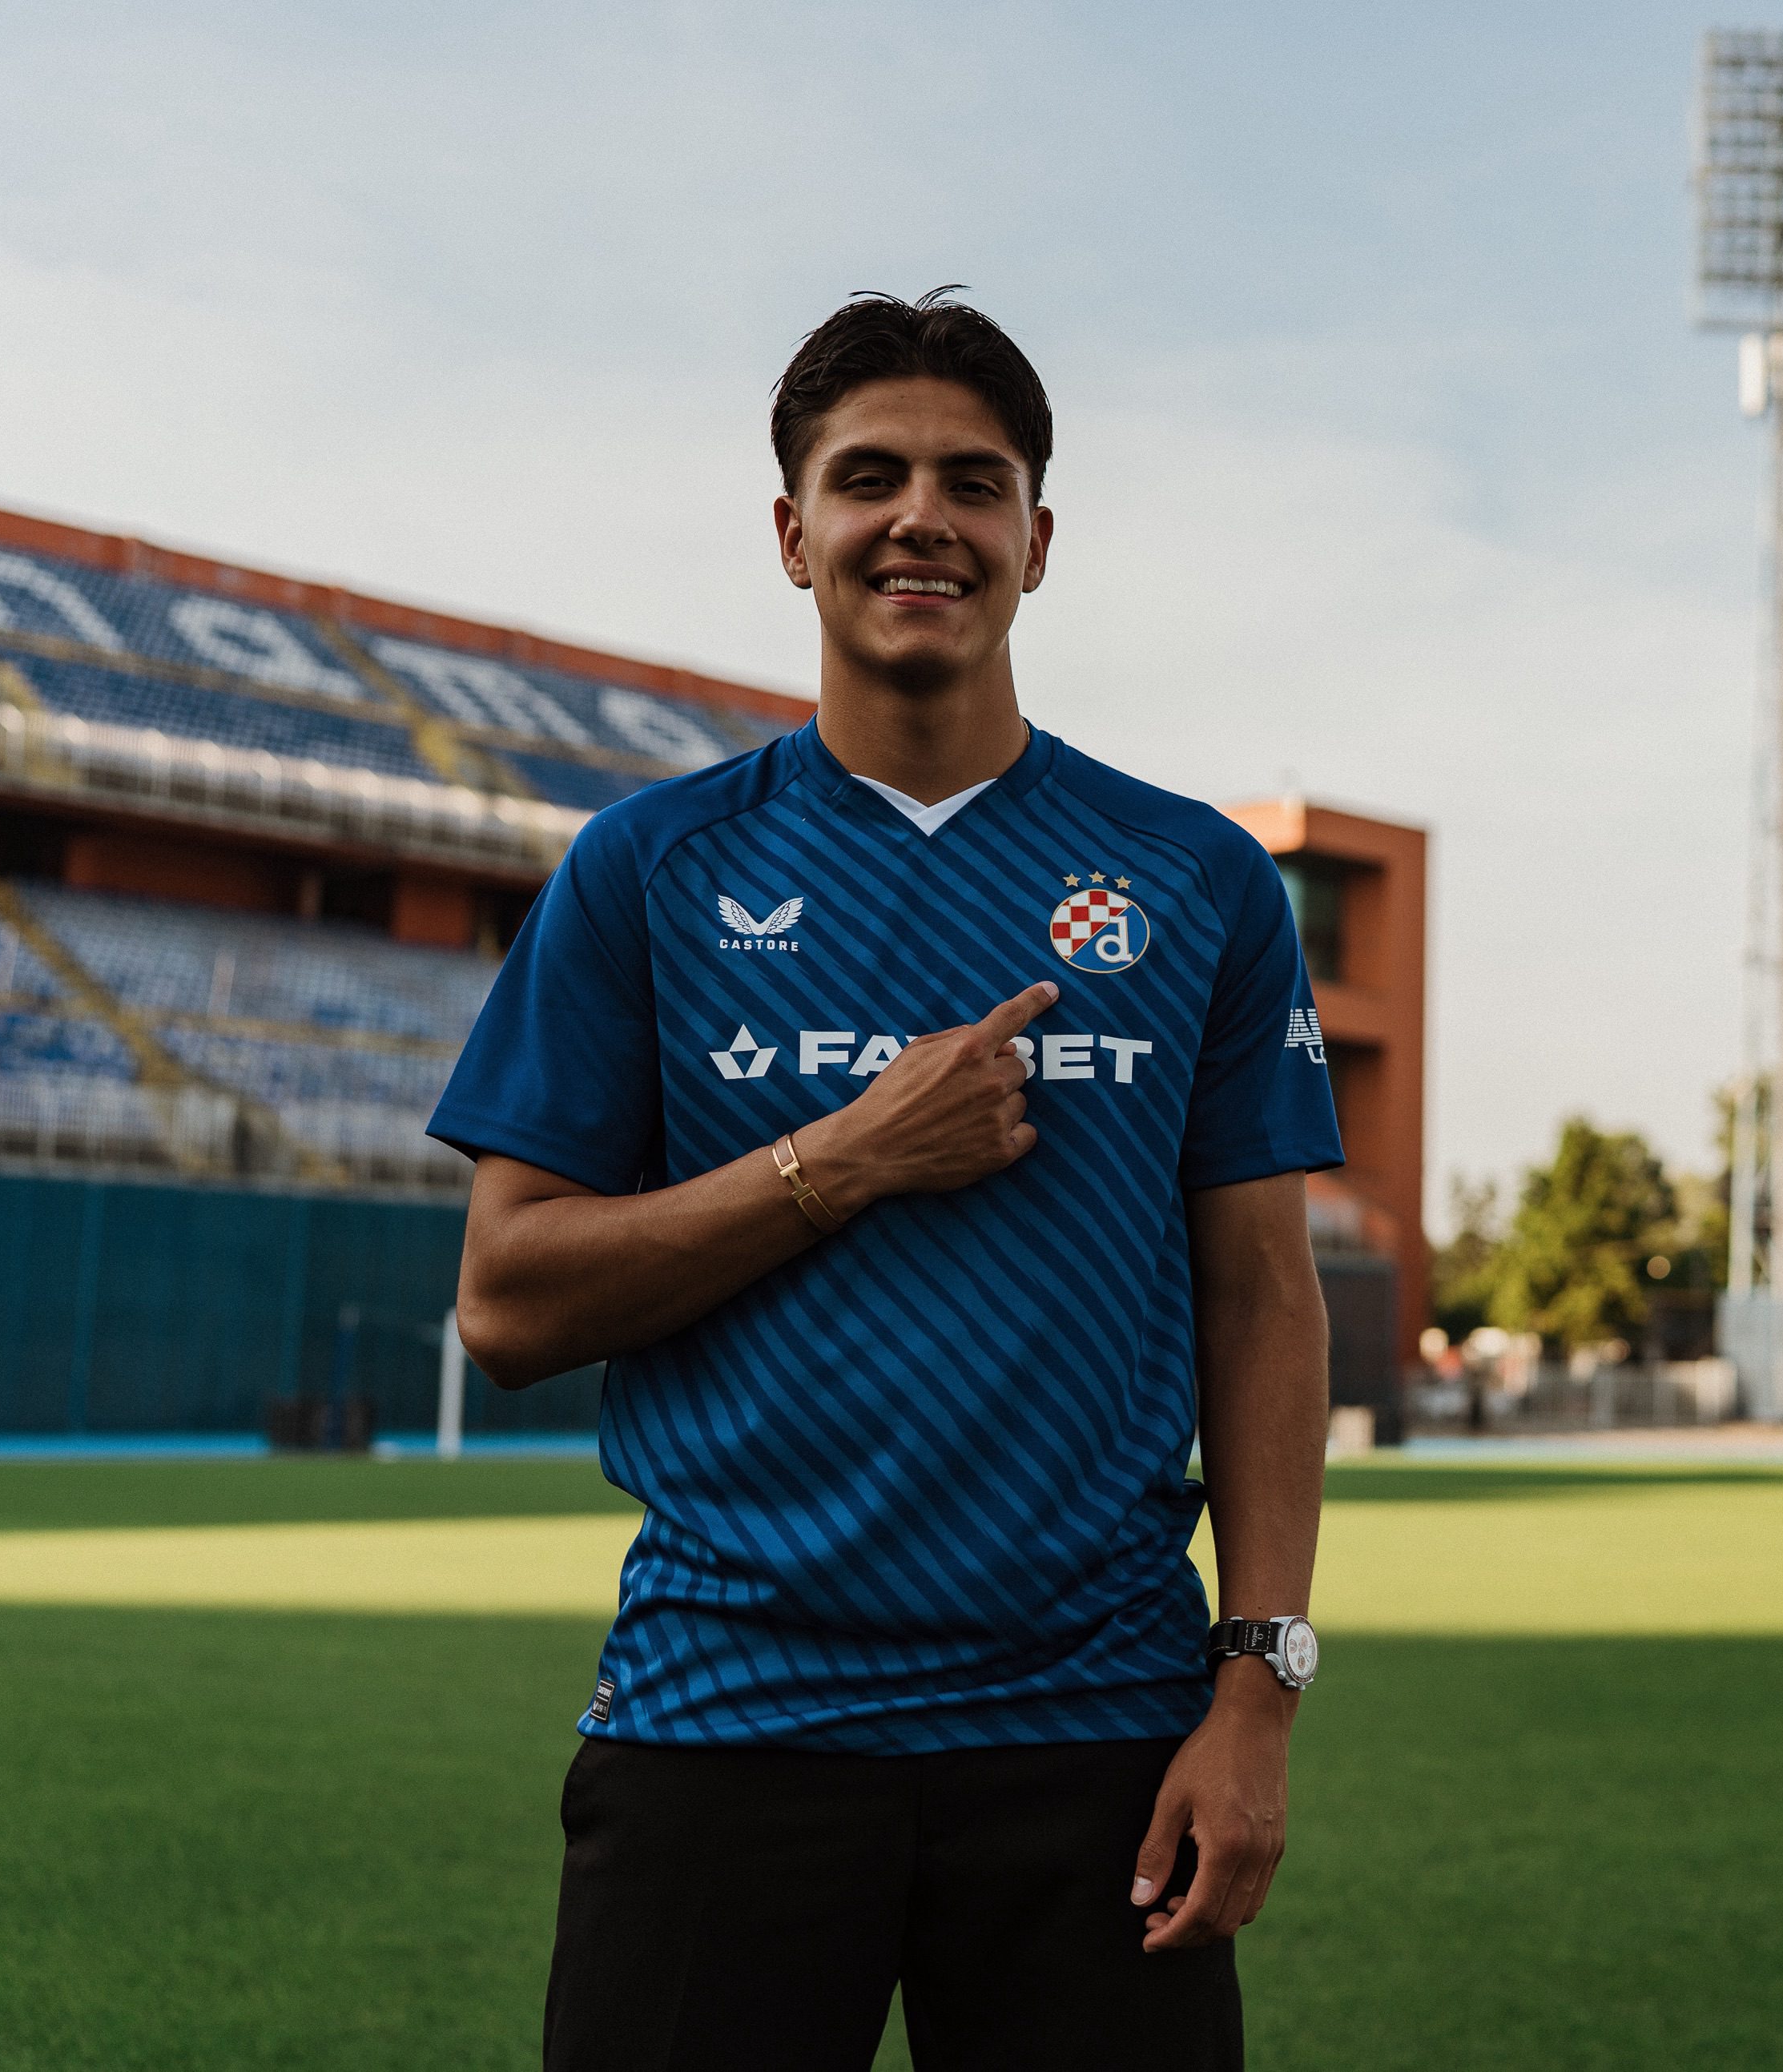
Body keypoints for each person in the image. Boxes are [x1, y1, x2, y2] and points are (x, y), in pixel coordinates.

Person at [432, 288, 1338, 2071]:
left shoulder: (1195, 876)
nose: (920, 515)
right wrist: (842, 1156)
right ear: (792, 533)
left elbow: (1263, 1294)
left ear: (1036, 541)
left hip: (1095, 1732)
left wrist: (1257, 1689)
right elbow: (506, 1298)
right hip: (726, 1717)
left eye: (972, 481)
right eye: (868, 477)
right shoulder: (647, 871)